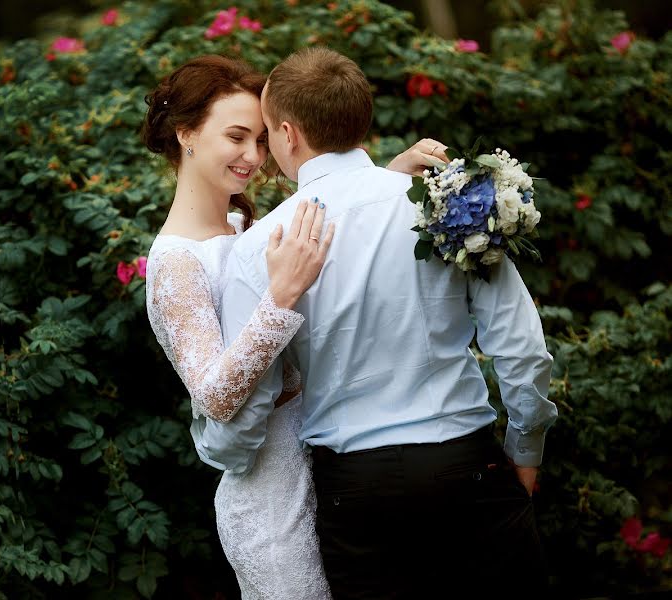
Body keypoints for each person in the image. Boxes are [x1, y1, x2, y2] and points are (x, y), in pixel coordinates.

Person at [195, 47, 558, 599]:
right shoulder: (440, 207)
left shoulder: (259, 250)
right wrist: (526, 448)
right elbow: (522, 347)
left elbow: (252, 410)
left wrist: (225, 456)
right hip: (469, 467)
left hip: (358, 494)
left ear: (289, 134)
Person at [142, 55, 445, 599]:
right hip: (269, 499)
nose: (254, 157)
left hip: (328, 467)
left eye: (261, 140)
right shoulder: (174, 262)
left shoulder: (241, 226)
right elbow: (214, 395)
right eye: (236, 137)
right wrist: (280, 299)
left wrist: (384, 182)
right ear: (185, 133)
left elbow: (315, 227)